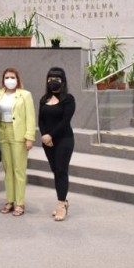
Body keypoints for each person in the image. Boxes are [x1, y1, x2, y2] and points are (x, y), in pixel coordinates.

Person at [0, 67, 36, 216]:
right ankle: (9, 200)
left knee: (19, 169)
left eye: (12, 77)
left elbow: (30, 117)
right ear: (3, 80)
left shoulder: (25, 95)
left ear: (17, 80)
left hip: (18, 133)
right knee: (8, 169)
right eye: (7, 77)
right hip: (2, 132)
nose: (9, 80)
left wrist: (29, 137)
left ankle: (20, 203)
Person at [39, 67, 75, 222]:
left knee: (61, 170)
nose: (53, 81)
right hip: (48, 141)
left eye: (57, 78)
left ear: (63, 81)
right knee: (55, 170)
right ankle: (64, 201)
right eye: (50, 78)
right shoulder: (44, 99)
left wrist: (51, 135)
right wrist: (45, 135)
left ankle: (61, 204)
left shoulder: (68, 99)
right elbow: (41, 120)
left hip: (64, 139)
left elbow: (65, 121)